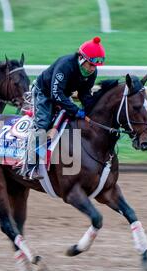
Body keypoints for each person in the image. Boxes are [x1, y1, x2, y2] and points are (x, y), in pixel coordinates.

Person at [22, 36, 106, 180]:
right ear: (82, 59)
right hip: (44, 93)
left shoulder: (92, 73)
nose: (93, 69)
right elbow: (56, 94)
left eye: (95, 66)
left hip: (63, 95)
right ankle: (29, 166)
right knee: (42, 124)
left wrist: (90, 107)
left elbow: (84, 93)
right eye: (91, 64)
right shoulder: (65, 65)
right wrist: (75, 110)